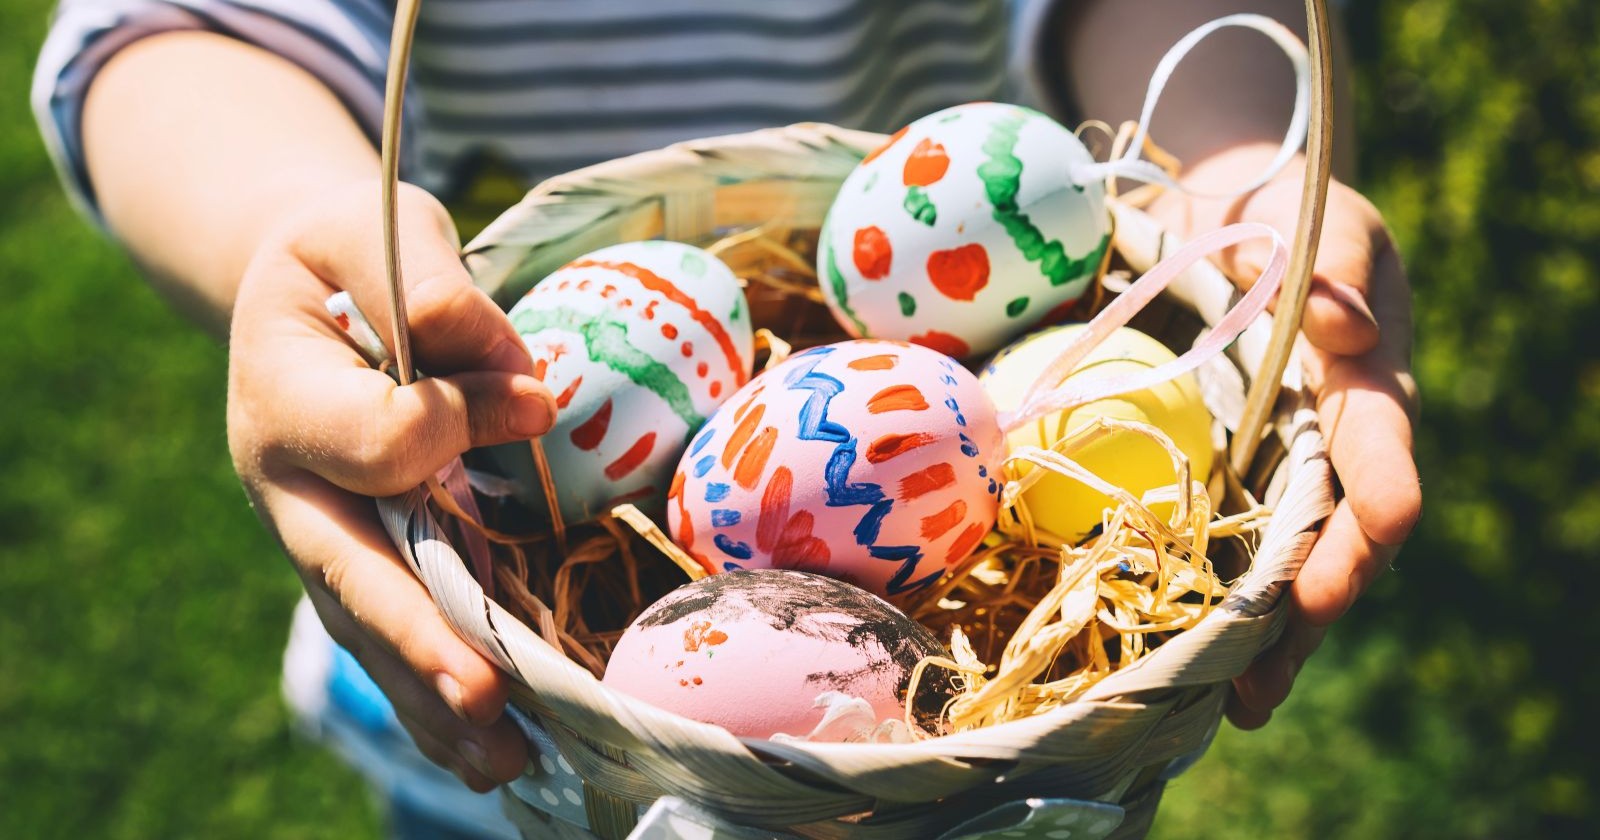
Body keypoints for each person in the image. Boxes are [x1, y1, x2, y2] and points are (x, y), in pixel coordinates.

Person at [33, 0, 1420, 835]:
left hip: (981, 800)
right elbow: (174, 28)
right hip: (499, 689)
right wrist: (301, 236)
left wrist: (1233, 180)